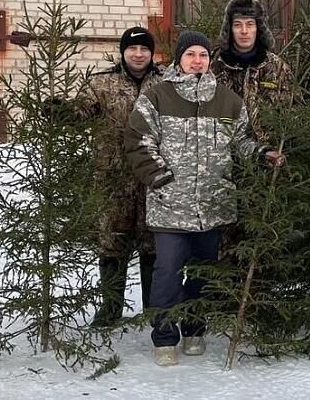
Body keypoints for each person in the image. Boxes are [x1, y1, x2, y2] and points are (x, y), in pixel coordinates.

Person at [125, 30, 284, 366]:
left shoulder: (228, 100)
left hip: (212, 206)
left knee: (203, 272)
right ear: (179, 59)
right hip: (170, 206)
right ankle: (165, 336)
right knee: (167, 271)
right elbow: (138, 140)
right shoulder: (157, 96)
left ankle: (195, 329)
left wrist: (262, 154)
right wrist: (161, 180)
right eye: (190, 55)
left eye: (202, 55)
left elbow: (241, 142)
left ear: (209, 60)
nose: (197, 61)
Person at [83, 26, 164, 327]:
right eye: (133, 49)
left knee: (152, 244)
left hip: (154, 180)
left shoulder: (166, 82)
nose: (139, 54)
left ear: (151, 53)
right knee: (112, 242)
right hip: (113, 179)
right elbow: (83, 109)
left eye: (144, 49)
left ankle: (153, 309)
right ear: (123, 51)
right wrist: (62, 111)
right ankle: (111, 308)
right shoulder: (101, 84)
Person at [212, 0, 296, 141]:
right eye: (238, 25)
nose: (244, 31)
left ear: (258, 28)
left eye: (250, 24)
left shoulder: (277, 67)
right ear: (230, 29)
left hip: (268, 154)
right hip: (223, 154)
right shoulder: (214, 65)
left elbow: (293, 111)